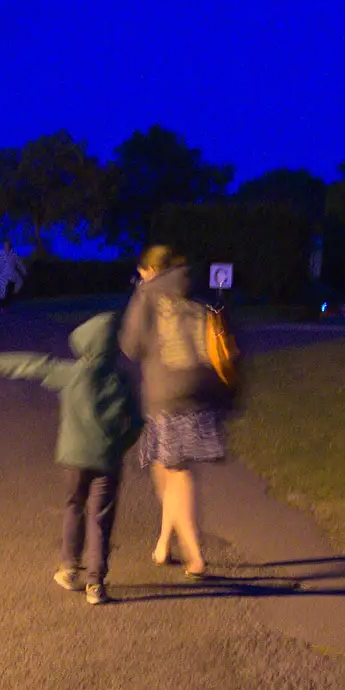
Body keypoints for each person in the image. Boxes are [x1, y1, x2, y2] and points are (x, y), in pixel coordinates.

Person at [0, 313, 141, 605]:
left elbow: (37, 365)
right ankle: (96, 584)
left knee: (74, 506)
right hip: (108, 461)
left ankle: (69, 568)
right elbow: (138, 421)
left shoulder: (73, 373)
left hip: (74, 459)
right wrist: (120, 446)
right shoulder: (122, 381)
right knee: (101, 518)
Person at [120, 245, 229, 579]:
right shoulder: (195, 289)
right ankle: (164, 544)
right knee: (165, 470)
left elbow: (130, 345)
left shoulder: (148, 294)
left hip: (167, 394)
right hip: (200, 388)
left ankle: (195, 555)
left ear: (150, 270)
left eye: (141, 271)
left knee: (176, 473)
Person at [0, 241, 27, 308]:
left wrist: (24, 272)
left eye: (8, 245)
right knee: (2, 291)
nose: (7, 247)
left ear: (10, 246)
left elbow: (19, 263)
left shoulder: (13, 254)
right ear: (3, 246)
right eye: (5, 245)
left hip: (12, 273)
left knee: (19, 281)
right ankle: (2, 305)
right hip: (2, 274)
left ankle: (14, 292)